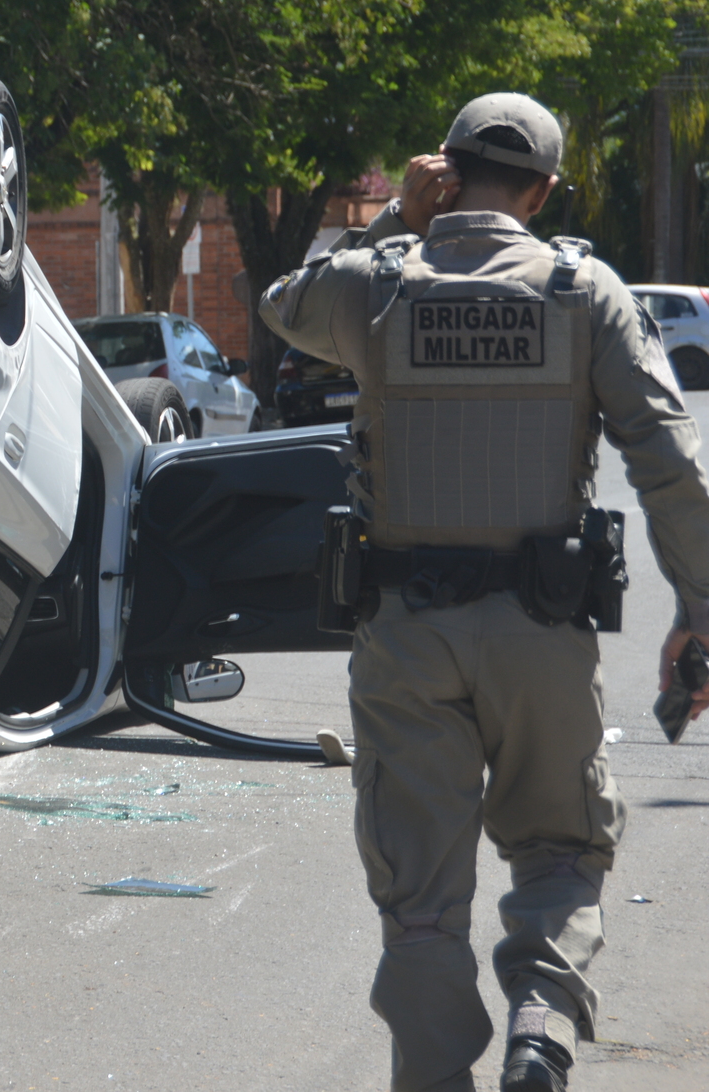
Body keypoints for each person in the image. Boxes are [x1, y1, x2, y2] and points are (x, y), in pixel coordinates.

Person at [258, 92, 709, 1092]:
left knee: (419, 901)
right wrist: (700, 610)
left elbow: (282, 304)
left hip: (405, 638)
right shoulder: (582, 287)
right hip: (543, 634)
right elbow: (671, 464)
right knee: (558, 850)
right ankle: (540, 1022)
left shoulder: (374, 283)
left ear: (445, 171)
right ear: (543, 190)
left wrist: (388, 222)